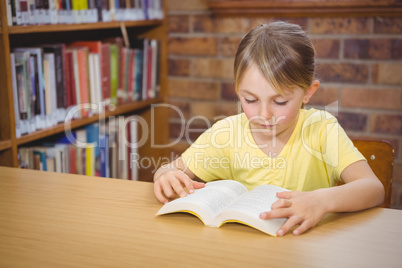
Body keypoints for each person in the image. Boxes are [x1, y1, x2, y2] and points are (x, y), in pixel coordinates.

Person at [153, 21, 384, 236]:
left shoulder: (321, 130)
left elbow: (373, 188)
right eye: (250, 100)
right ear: (237, 89)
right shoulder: (226, 133)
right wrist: (166, 176)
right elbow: (169, 170)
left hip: (306, 249)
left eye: (280, 102)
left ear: (308, 92)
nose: (264, 115)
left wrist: (321, 201)